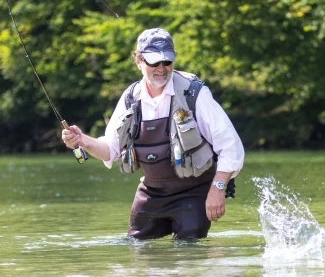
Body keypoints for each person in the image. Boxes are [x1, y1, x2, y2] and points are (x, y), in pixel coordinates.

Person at [62, 28, 244, 240]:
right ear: (138, 60)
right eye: (154, 62)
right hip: (152, 193)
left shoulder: (194, 93)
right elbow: (110, 150)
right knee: (136, 247)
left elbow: (231, 147)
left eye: (167, 61)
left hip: (194, 192)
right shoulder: (131, 97)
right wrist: (83, 141)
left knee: (188, 252)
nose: (161, 68)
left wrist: (218, 189)